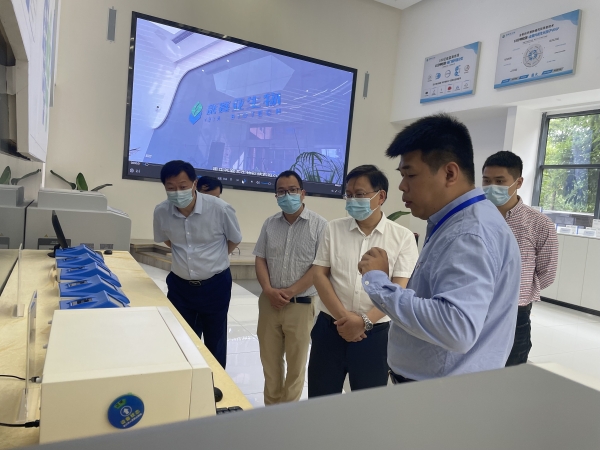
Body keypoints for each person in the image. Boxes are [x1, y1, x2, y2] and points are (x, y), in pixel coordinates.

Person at [359, 114, 522, 383]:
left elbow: (456, 328)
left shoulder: (469, 233)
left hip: (442, 393)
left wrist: (379, 282)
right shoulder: (457, 221)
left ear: (449, 173)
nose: (402, 185)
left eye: (410, 174)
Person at [309, 165, 418, 397]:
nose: (352, 200)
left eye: (359, 194)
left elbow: (399, 287)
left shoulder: (403, 237)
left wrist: (364, 321)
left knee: (368, 404)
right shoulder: (333, 229)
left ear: (381, 196)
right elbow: (319, 274)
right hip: (330, 329)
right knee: (320, 401)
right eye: (348, 195)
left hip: (375, 336)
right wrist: (345, 319)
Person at [153, 160, 242, 368]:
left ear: (194, 184)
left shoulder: (220, 209)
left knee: (215, 339)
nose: (177, 192)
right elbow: (167, 240)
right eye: (171, 187)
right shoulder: (161, 211)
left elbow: (234, 239)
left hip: (215, 285)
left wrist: (215, 258)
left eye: (183, 186)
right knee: (180, 338)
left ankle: (215, 382)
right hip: (180, 287)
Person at [253, 171, 327, 405]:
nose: (287, 195)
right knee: (270, 363)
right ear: (276, 196)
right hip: (269, 303)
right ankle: (271, 410)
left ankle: (289, 413)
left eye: (292, 190)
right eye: (281, 191)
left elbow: (319, 267)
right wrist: (268, 290)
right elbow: (260, 258)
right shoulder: (269, 224)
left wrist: (290, 292)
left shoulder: (320, 225)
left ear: (302, 193)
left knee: (297, 365)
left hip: (301, 305)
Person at [482, 151, 558, 366]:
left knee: (511, 369)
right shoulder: (474, 216)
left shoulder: (539, 224)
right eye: (486, 181)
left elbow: (547, 272)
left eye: (499, 181)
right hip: (475, 305)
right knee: (472, 370)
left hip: (515, 312)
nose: (492, 187)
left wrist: (519, 288)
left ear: (519, 182)